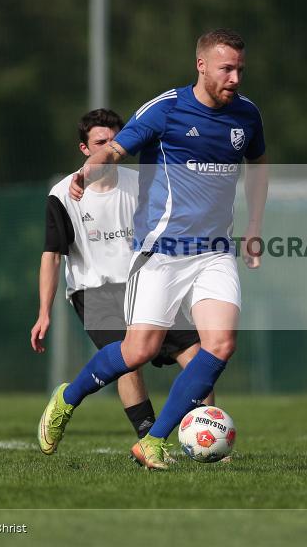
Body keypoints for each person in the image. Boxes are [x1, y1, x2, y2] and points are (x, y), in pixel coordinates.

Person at [39, 28, 268, 470]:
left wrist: (255, 223)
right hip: (161, 252)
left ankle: (153, 441)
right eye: (227, 68)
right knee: (137, 351)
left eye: (240, 68)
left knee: (219, 345)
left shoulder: (248, 116)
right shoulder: (166, 109)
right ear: (201, 65)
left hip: (215, 252)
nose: (235, 77)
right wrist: (87, 171)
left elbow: (258, 167)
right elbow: (117, 150)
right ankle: (68, 397)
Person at [30, 108, 213, 448]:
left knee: (198, 354)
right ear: (84, 149)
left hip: (147, 280)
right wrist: (44, 312)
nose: (107, 148)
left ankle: (209, 441)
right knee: (129, 362)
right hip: (95, 290)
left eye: (114, 140)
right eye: (100, 142)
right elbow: (52, 256)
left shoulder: (143, 184)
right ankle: (148, 439)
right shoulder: (62, 195)